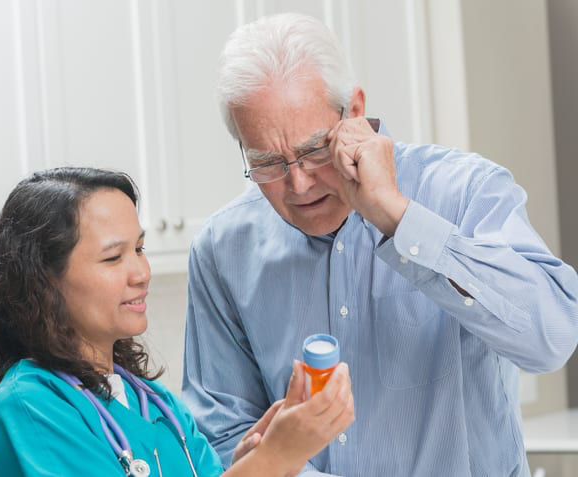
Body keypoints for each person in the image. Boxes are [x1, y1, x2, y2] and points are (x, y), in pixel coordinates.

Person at [181, 12, 578, 477]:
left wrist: (397, 218)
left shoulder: (465, 190)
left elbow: (552, 339)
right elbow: (221, 432)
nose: (299, 184)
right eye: (267, 162)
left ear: (354, 112)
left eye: (313, 149)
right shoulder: (222, 248)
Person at [0, 167, 355, 476]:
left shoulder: (158, 406)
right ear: (44, 280)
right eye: (113, 258)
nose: (141, 272)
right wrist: (272, 458)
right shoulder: (30, 410)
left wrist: (258, 462)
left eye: (139, 248)